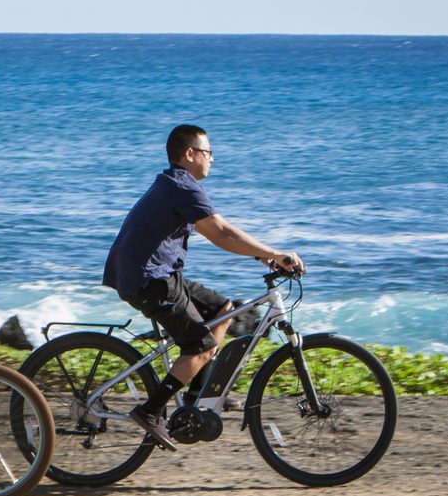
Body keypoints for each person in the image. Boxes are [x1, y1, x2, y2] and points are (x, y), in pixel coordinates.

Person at [102, 124, 305, 451]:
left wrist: (262, 256)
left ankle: (198, 395)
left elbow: (221, 233)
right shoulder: (182, 186)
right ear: (189, 153)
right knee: (200, 346)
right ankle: (150, 411)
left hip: (156, 274)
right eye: (208, 152)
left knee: (223, 310)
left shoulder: (176, 184)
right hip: (149, 279)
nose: (212, 158)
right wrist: (272, 253)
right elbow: (220, 232)